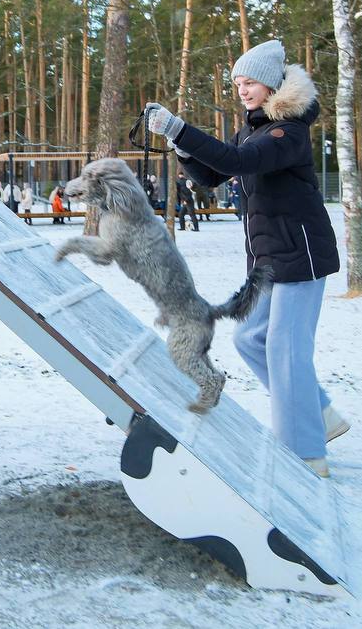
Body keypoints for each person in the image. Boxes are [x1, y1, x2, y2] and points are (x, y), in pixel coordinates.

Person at [146, 39, 348, 478]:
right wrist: (180, 146)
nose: (242, 89)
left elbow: (238, 159)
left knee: (284, 349)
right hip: (270, 260)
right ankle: (322, 415)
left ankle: (306, 453)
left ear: (272, 84)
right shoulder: (255, 129)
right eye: (237, 82)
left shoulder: (286, 131)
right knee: (250, 339)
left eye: (250, 81)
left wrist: (181, 128)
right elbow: (214, 173)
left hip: (301, 256)